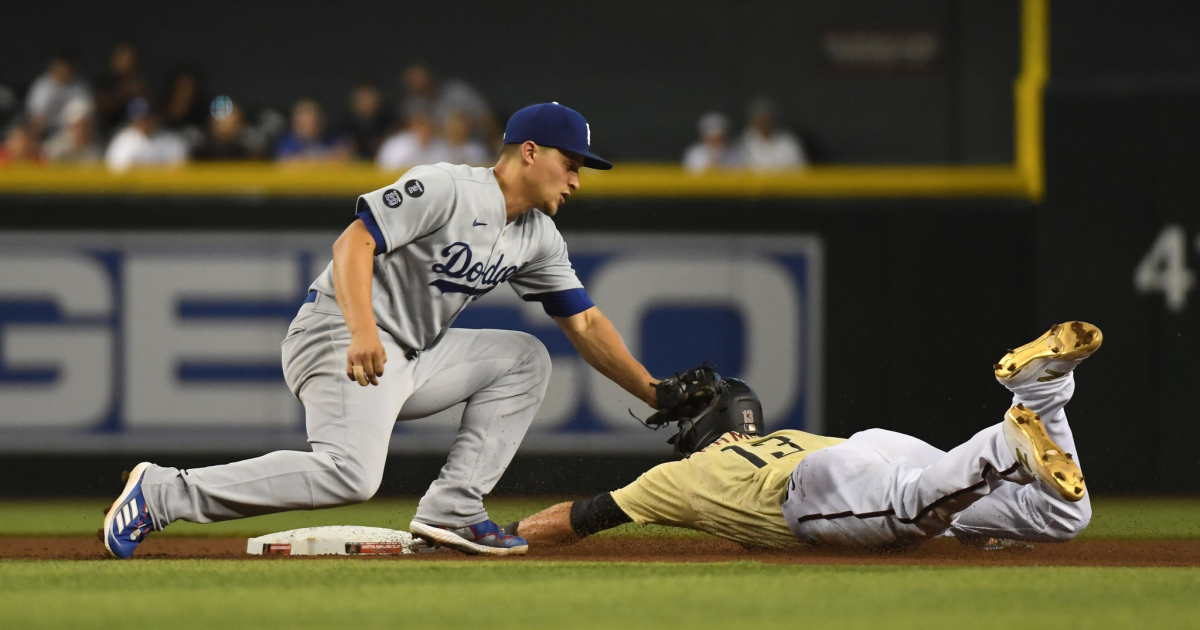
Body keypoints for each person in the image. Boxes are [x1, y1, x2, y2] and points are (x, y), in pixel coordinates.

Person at [102, 102, 687, 560]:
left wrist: (653, 393)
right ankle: (162, 493)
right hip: (336, 333)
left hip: (409, 355)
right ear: (529, 153)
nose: (578, 180)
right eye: (572, 163)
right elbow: (352, 242)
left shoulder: (537, 236)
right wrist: (361, 329)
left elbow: (584, 322)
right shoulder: (447, 187)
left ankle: (454, 508)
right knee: (352, 475)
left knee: (525, 358)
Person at [505, 322, 1098, 552]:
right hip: (863, 449)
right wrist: (978, 529)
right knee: (1060, 516)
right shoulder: (782, 433)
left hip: (811, 489)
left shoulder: (680, 478)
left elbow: (580, 517)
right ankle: (1041, 395)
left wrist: (506, 536)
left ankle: (1003, 444)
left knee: (912, 508)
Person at [401, 63, 498, 146]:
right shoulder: (414, 103)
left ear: (430, 78)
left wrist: (492, 140)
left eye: (421, 80)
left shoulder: (457, 92)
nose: (419, 85)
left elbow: (486, 118)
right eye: (414, 82)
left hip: (471, 142)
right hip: (437, 149)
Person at [104, 97, 189, 172]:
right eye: (140, 118)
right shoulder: (123, 141)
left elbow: (179, 170)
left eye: (147, 117)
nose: (144, 122)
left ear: (155, 116)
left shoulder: (172, 140)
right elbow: (116, 173)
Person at [25, 52, 91, 138]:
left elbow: (84, 116)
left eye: (66, 69)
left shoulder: (80, 88)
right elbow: (37, 116)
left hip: (70, 132)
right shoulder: (43, 86)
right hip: (46, 131)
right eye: (60, 68)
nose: (63, 72)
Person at [93, 42, 150, 136]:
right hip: (107, 129)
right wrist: (124, 92)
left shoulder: (138, 80)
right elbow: (101, 108)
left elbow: (148, 106)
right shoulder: (105, 81)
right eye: (124, 57)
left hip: (134, 129)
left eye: (130, 58)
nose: (127, 62)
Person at [739, 98, 807, 171]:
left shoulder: (788, 142)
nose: (763, 123)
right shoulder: (743, 143)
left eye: (766, 118)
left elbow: (802, 169)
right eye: (759, 119)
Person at [275, 99, 349, 162]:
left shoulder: (331, 139)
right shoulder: (286, 142)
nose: (313, 121)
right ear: (295, 121)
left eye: (316, 117)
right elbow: (287, 162)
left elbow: (344, 157)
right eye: (306, 117)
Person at [376, 109, 450, 170]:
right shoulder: (396, 146)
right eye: (420, 125)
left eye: (428, 125)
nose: (425, 130)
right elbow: (385, 170)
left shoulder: (441, 146)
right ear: (412, 126)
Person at [341, 80, 393, 160]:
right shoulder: (344, 125)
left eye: (371, 96)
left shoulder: (389, 123)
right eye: (363, 97)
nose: (367, 101)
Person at [43, 98, 103, 163]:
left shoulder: (97, 152)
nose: (82, 130)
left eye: (87, 126)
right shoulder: (54, 150)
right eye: (78, 126)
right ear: (69, 126)